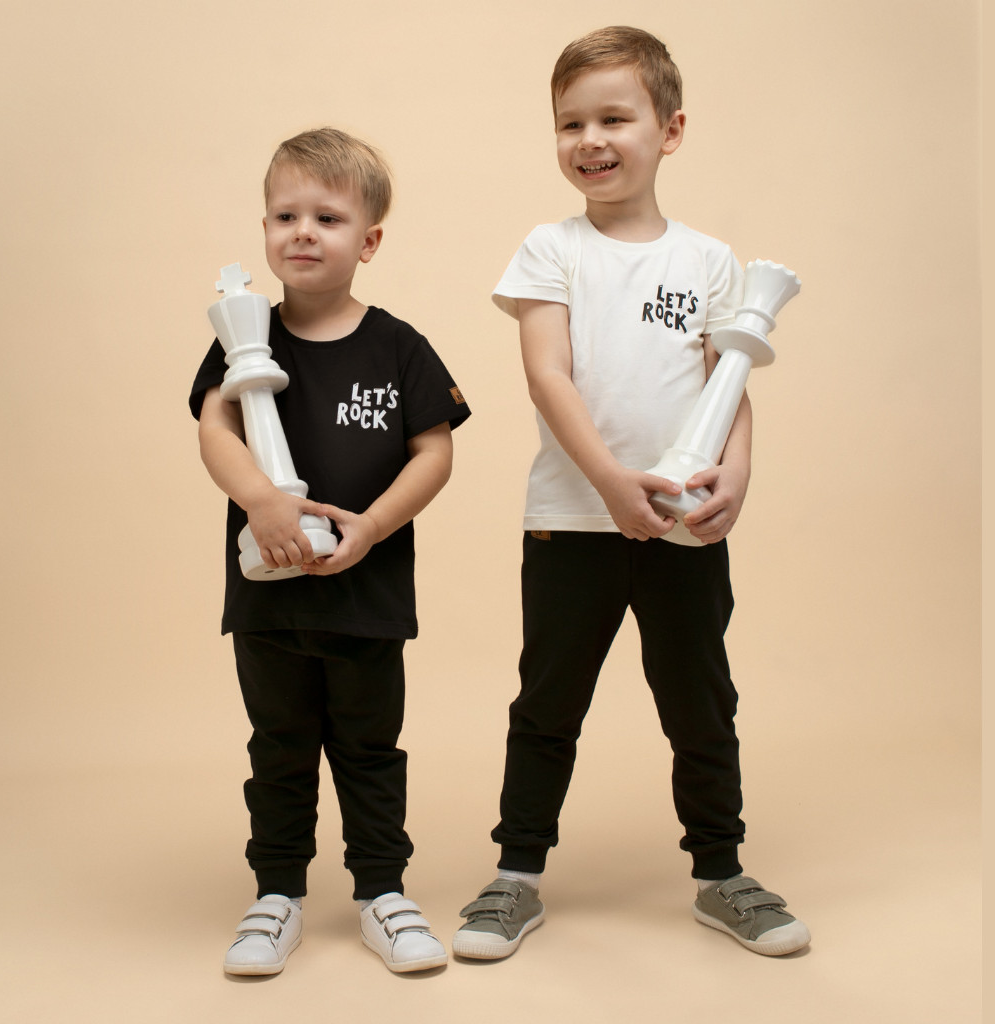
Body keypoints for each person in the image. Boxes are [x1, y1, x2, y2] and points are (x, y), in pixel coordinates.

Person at [451, 26, 809, 960]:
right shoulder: (550, 248)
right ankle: (514, 877)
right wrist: (610, 484)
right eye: (570, 122)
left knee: (701, 703)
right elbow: (548, 377)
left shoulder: (709, 260)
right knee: (548, 704)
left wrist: (737, 473)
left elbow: (731, 382)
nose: (590, 139)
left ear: (670, 130)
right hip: (572, 522)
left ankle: (721, 873)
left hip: (686, 529)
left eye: (614, 118)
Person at [190, 127, 470, 976]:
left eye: (328, 217)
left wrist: (373, 527)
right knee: (278, 747)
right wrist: (261, 499)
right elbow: (215, 426)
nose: (303, 232)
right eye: (286, 216)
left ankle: (383, 893)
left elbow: (434, 452)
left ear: (368, 241)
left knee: (369, 750)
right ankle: (276, 896)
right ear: (265, 231)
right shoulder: (243, 337)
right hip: (269, 601)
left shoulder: (399, 346)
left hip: (365, 597)